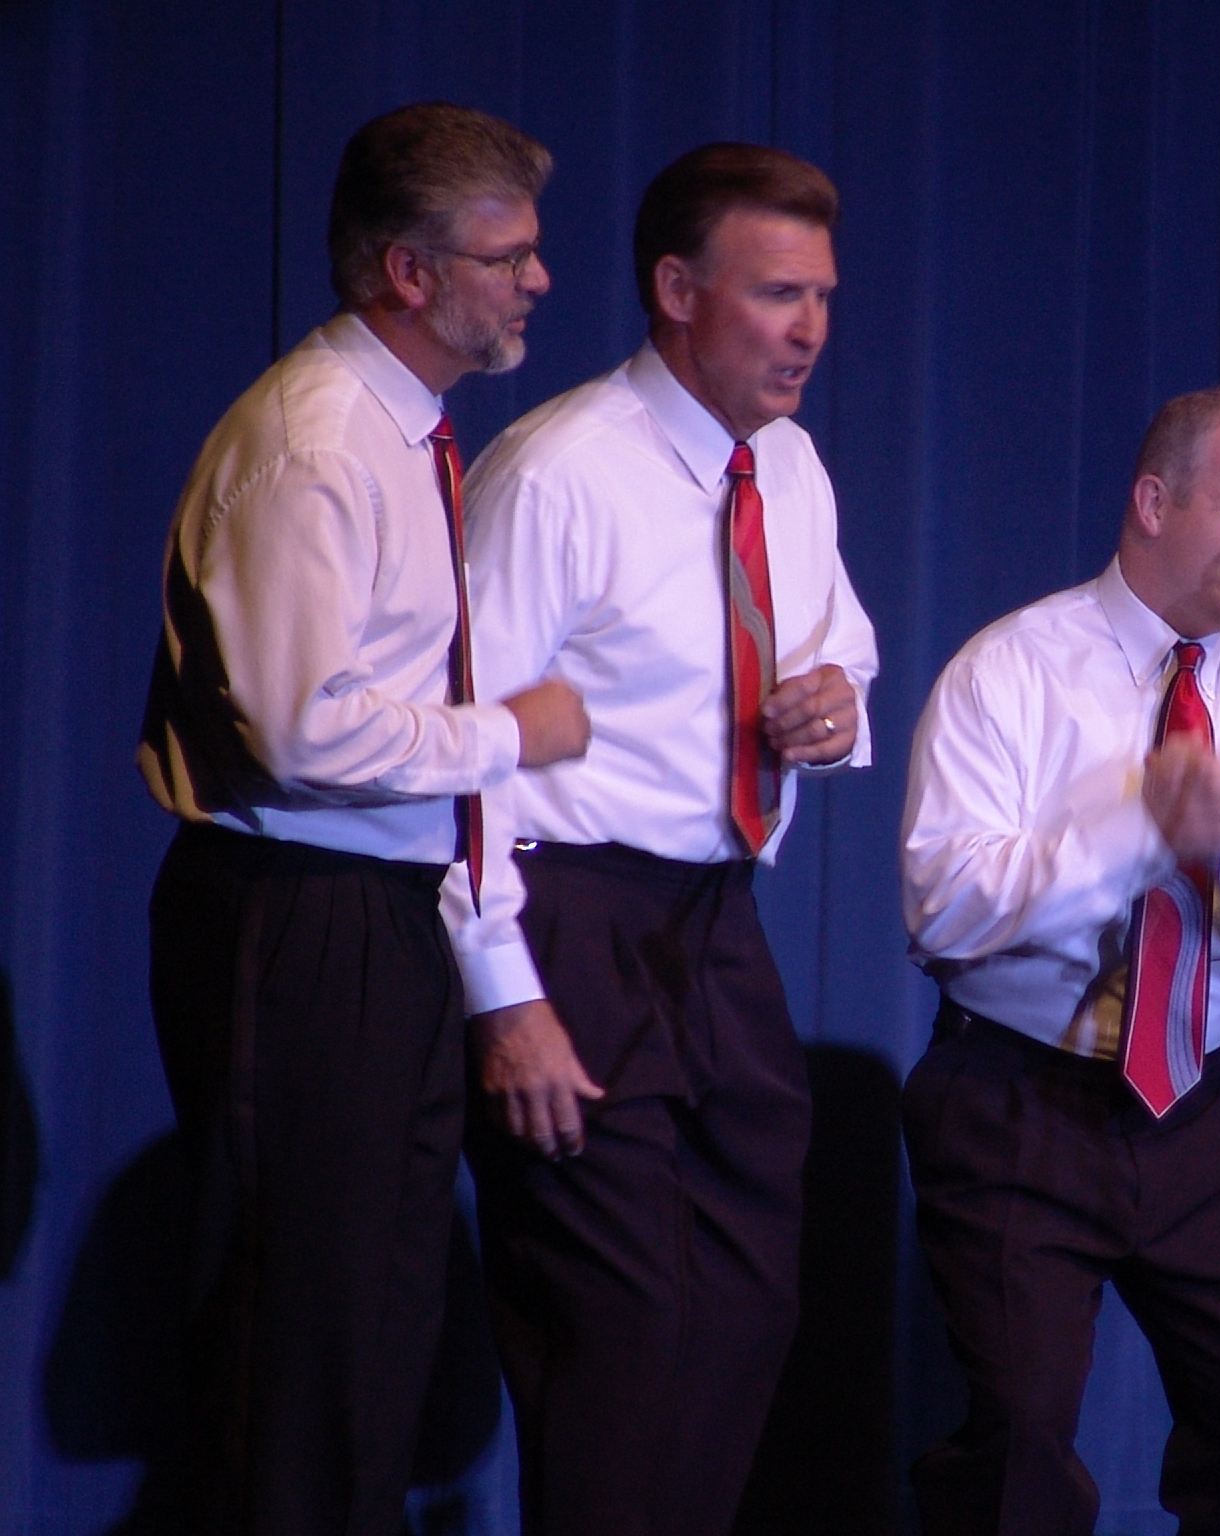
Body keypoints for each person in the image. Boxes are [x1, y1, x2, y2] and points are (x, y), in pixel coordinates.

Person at [138, 102, 588, 1535]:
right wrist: (510, 731)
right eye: (507, 257)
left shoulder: (409, 433)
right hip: (296, 916)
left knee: (373, 1327)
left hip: (381, 918)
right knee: (299, 1325)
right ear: (408, 271)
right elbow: (299, 727)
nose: (538, 281)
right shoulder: (318, 441)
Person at [442, 142, 878, 1536]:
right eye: (776, 294)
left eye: (822, 295)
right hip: (565, 913)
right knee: (616, 1330)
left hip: (715, 922)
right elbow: (463, 753)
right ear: (679, 291)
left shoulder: (788, 468)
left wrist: (834, 704)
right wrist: (504, 997)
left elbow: (840, 641)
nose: (808, 329)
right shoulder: (559, 472)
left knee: (744, 1311)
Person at [900, 385, 1220, 1536]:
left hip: (1211, 1107)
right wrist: (1138, 832)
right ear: (1151, 502)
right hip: (1019, 1095)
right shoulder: (1013, 668)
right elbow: (942, 905)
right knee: (1017, 1446)